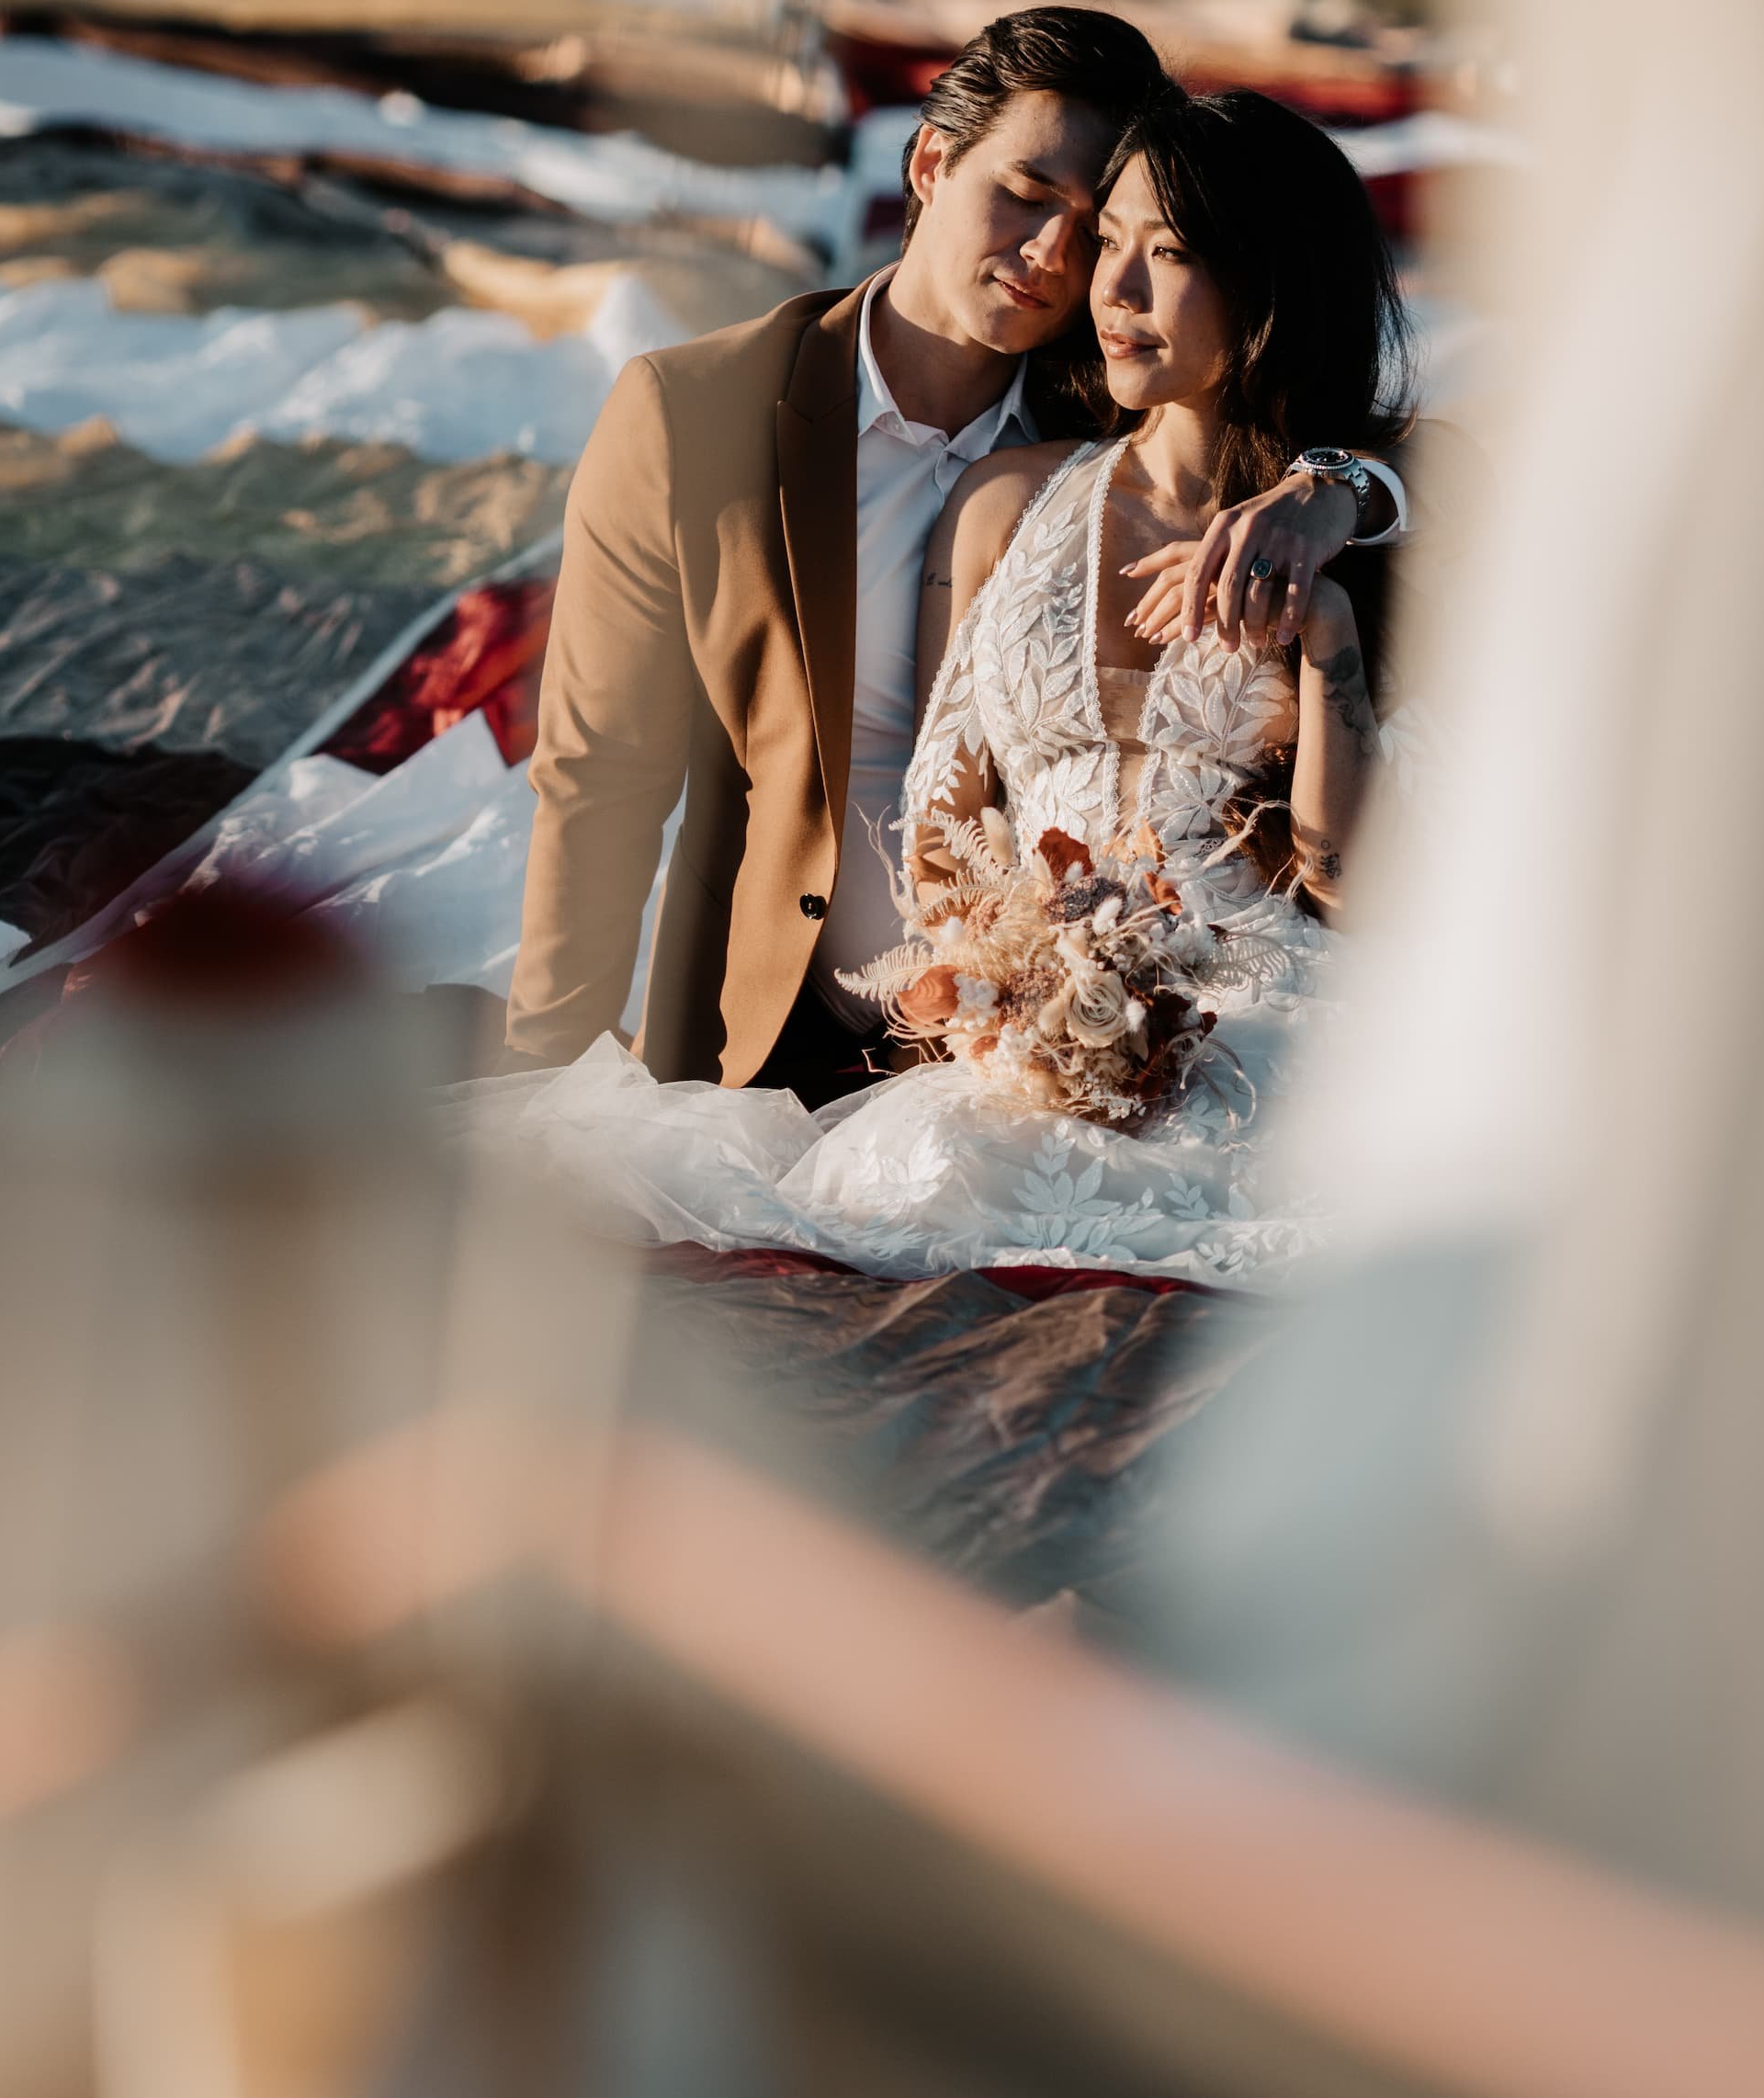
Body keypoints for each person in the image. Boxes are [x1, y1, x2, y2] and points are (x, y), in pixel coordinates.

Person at [473, 91, 1414, 1284]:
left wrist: (1329, 590)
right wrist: (1013, 990)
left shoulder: (1360, 521)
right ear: (928, 166)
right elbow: (938, 820)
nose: (1102, 284)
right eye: (1107, 240)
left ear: (1269, 280)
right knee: (920, 1182)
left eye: (1166, 252)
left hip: (1267, 1006)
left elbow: (1356, 883)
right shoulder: (1009, 498)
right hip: (1015, 1021)